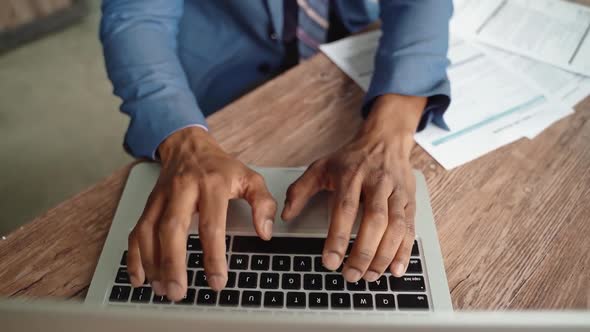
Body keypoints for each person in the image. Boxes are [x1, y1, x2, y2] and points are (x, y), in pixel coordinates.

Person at [100, 0, 452, 301]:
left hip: (350, 60)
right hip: (217, 90)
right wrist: (183, 140)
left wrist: (389, 132)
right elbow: (136, 16)